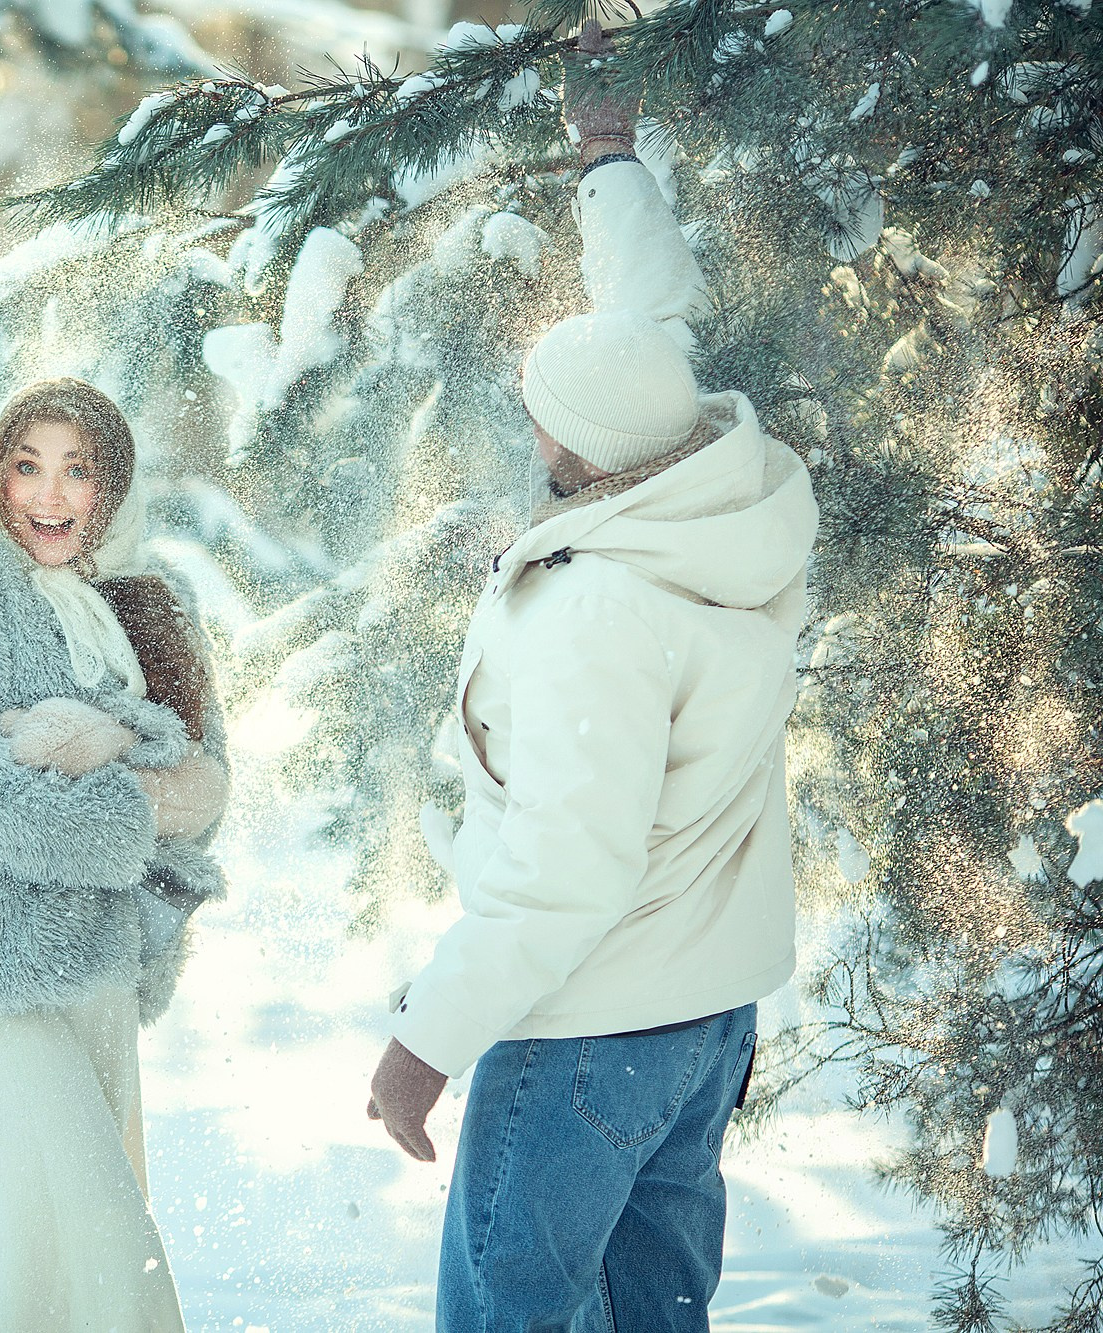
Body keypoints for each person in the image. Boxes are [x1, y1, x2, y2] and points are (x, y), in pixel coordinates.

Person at [366, 21, 821, 1332]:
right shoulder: (715, 502)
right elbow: (649, 317)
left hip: (587, 1036)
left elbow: (569, 868)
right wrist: (607, 153)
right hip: (702, 1027)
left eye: (539, 412)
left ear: (572, 446)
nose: (528, 419)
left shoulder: (594, 613)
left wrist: (424, 1044)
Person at [0, 377, 230, 1332]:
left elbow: (205, 786)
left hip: (101, 966)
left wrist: (82, 753)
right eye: (27, 467)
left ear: (114, 485)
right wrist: (121, 812)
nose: (50, 495)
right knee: (100, 1245)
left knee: (5, 1260)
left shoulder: (152, 602)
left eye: (78, 469)